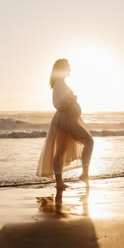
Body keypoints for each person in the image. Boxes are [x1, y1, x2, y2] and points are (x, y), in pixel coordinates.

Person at [36, 58, 94, 189]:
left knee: (61, 150)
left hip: (67, 119)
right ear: (62, 69)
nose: (70, 69)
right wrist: (71, 100)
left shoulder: (61, 83)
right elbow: (57, 104)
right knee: (88, 141)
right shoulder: (58, 84)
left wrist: (71, 101)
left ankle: (60, 182)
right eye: (67, 66)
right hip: (65, 120)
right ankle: (83, 174)